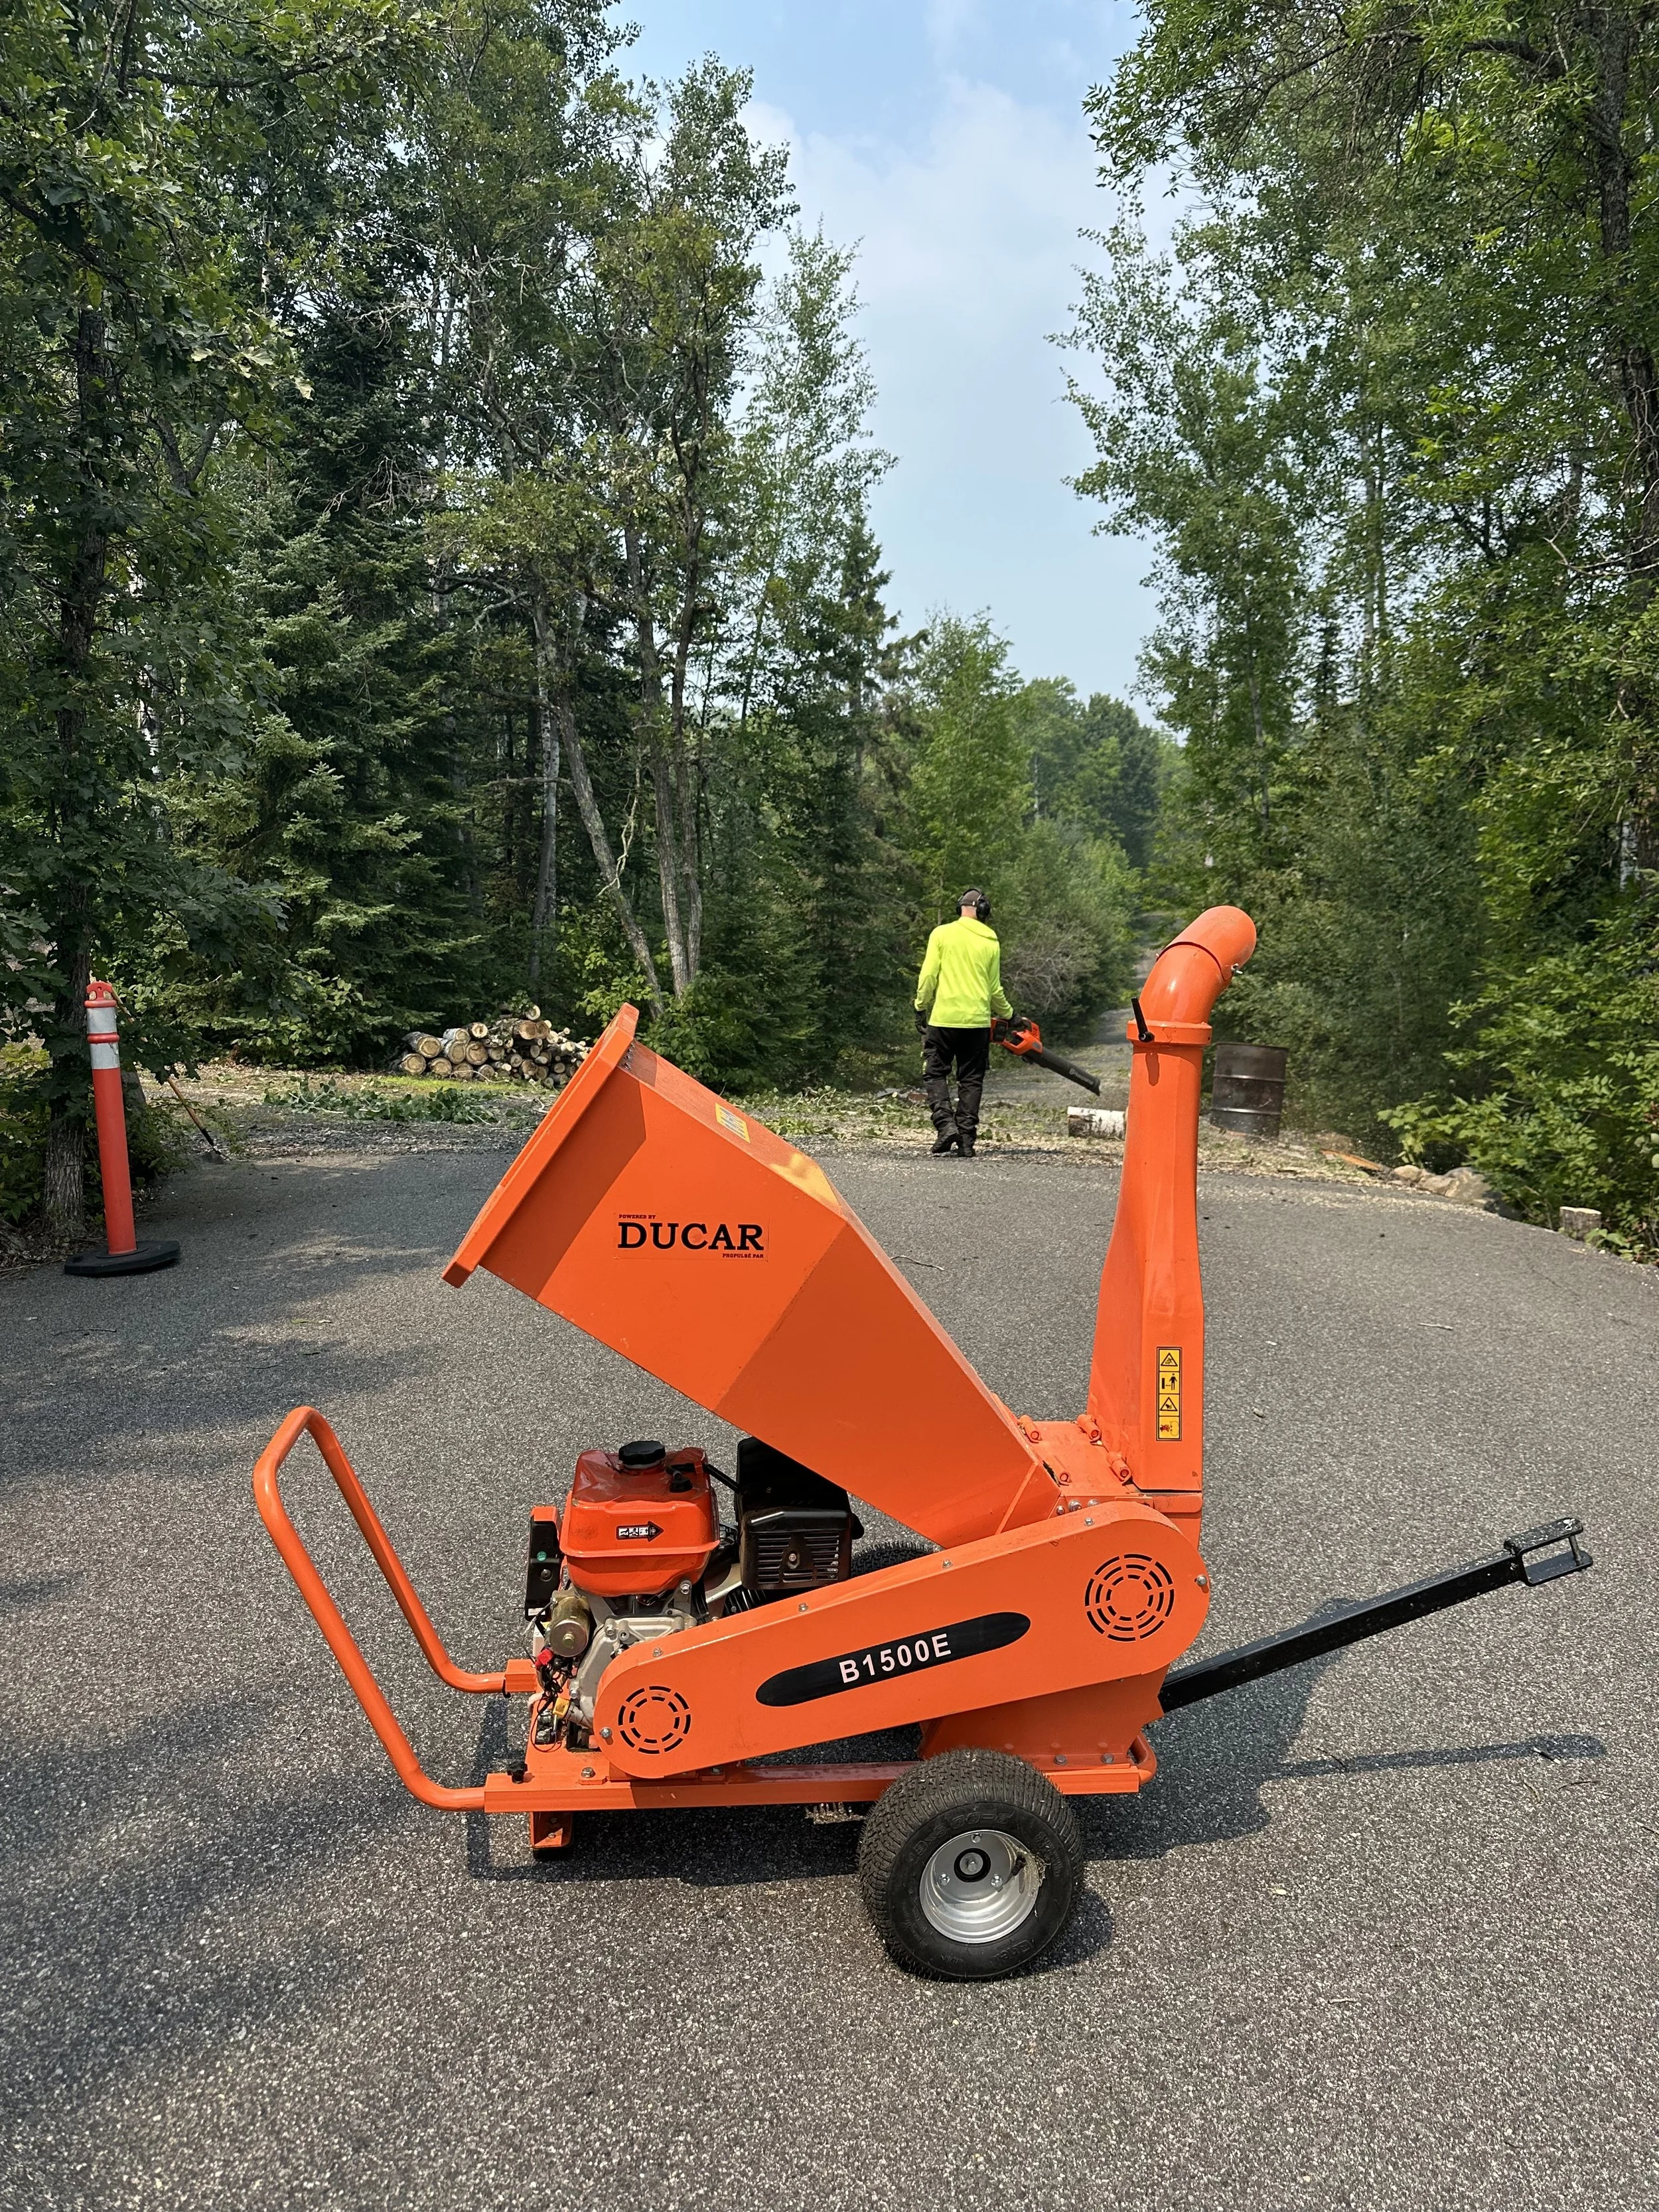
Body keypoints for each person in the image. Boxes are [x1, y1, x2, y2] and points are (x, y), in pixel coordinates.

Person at [913, 888, 1013, 1157]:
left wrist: (920, 1006)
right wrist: (1009, 1014)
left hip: (944, 1019)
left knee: (934, 1072)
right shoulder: (991, 940)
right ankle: (967, 1141)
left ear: (960, 908)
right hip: (978, 1024)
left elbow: (929, 976)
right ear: (982, 911)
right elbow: (995, 990)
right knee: (971, 1080)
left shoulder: (942, 934)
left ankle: (945, 1125)